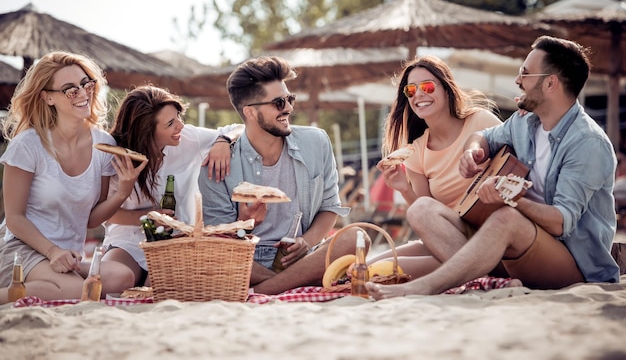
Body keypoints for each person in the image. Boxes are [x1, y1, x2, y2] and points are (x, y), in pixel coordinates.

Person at [367, 36, 620, 299]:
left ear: (550, 83)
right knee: (421, 210)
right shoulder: (525, 123)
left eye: (525, 72)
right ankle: (485, 278)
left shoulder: (587, 143)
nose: (517, 80)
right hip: (514, 247)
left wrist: (511, 199)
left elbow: (560, 223)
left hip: (572, 265)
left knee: (507, 218)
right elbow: (485, 138)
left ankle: (425, 286)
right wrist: (471, 152)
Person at [199, 56, 355, 295]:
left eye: (289, 98)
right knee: (207, 254)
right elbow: (219, 243)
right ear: (250, 112)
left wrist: (308, 242)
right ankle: (292, 283)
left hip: (304, 256)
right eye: (279, 102)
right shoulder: (217, 162)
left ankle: (269, 289)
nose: (289, 108)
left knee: (355, 236)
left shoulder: (316, 142)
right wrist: (245, 226)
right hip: (248, 261)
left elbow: (330, 207)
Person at [0, 51, 147, 304]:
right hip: (23, 249)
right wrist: (53, 251)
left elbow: (90, 219)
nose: (82, 94)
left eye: (85, 84)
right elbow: (14, 219)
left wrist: (123, 191)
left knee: (122, 277)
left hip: (70, 257)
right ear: (48, 98)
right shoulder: (28, 145)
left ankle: (42, 285)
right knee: (79, 290)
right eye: (70, 90)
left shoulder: (103, 145)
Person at [366, 55, 504, 280]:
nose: (418, 94)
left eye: (427, 86)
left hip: (494, 231)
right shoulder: (416, 151)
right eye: (411, 90)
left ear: (447, 88)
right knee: (368, 268)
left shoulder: (481, 122)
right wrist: (403, 188)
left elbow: (522, 160)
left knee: (384, 265)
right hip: (453, 238)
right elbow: (427, 216)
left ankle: (481, 273)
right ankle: (478, 271)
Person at [101, 85, 243, 286]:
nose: (180, 126)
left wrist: (223, 140)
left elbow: (239, 128)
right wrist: (150, 217)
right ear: (146, 130)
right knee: (113, 281)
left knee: (161, 287)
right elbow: (106, 213)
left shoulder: (187, 139)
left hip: (175, 242)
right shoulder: (114, 155)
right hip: (127, 241)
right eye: (170, 123)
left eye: (178, 117)